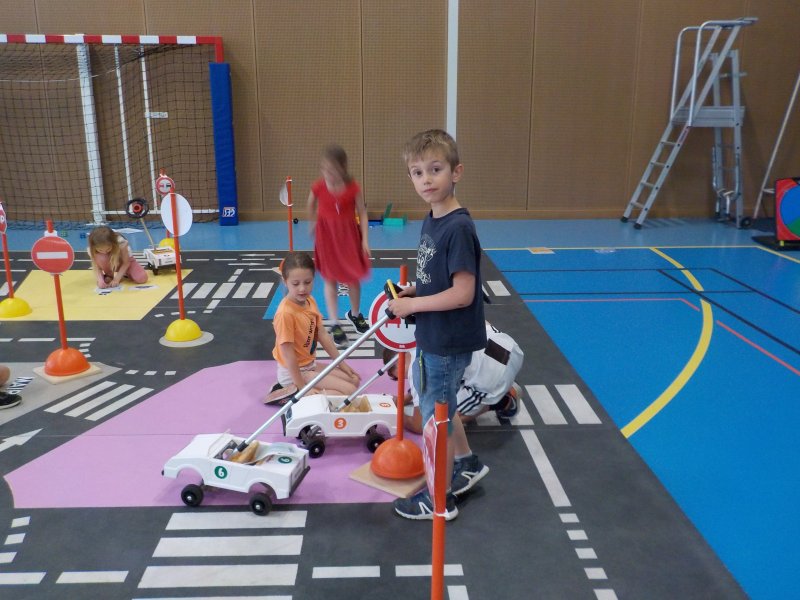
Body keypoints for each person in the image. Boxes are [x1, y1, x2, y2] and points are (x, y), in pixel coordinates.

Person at [388, 129, 486, 521]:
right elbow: (440, 278)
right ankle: (467, 463)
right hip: (435, 334)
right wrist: (415, 289)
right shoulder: (433, 219)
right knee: (443, 406)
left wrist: (413, 304)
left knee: (436, 420)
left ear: (456, 172)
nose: (426, 180)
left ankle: (440, 499)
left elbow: (463, 293)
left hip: (446, 341)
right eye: (417, 172)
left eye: (435, 169)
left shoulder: (457, 227)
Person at [384, 320, 524, 433]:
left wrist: (392, 414)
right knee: (448, 373)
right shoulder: (421, 337)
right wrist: (404, 399)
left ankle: (503, 400)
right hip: (507, 346)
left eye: (398, 378)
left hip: (496, 374)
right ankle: (500, 382)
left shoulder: (415, 372)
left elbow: (419, 425)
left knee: (440, 421)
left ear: (395, 368)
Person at [272, 251, 361, 397]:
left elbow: (322, 335)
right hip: (294, 374)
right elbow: (289, 357)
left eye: (307, 282)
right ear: (285, 281)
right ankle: (293, 393)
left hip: (309, 366)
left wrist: (341, 363)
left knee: (354, 380)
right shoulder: (285, 314)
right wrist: (303, 389)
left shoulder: (309, 301)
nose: (302, 289)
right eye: (295, 284)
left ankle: (305, 394)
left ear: (313, 279)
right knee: (350, 392)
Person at [307, 144, 371, 347]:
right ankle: (335, 322)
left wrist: (365, 239)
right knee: (330, 278)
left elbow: (362, 213)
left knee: (353, 277)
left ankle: (355, 314)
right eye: (325, 170)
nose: (328, 174)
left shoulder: (353, 188)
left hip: (348, 237)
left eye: (333, 170)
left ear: (343, 168)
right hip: (327, 238)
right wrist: (313, 222)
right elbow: (310, 204)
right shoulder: (318, 187)